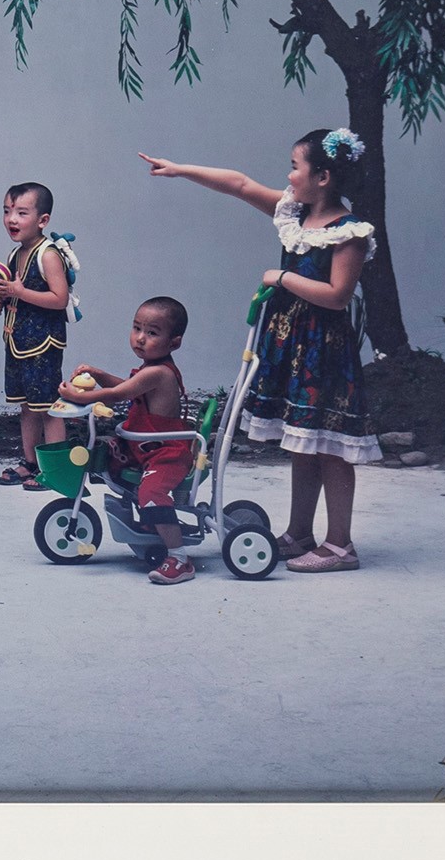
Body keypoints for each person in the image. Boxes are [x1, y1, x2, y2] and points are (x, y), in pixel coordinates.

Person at [142, 130, 382, 572]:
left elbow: (337, 295)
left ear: (323, 176)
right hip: (291, 345)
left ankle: (340, 545)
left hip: (323, 352)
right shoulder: (295, 213)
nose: (288, 176)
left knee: (330, 447)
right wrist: (179, 169)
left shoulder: (348, 232)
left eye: (295, 167)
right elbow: (239, 184)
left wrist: (281, 277)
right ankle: (299, 532)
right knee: (302, 442)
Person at [60, 297, 199, 584]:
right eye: (137, 328)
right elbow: (126, 387)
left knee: (152, 493)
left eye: (152, 332)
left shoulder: (158, 373)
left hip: (167, 453)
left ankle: (179, 558)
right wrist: (98, 374)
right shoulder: (149, 369)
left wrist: (80, 397)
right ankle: (149, 522)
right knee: (107, 453)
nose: (140, 338)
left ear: (174, 343)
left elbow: (119, 394)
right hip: (148, 448)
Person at [0, 182, 78, 491]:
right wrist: (0, 301)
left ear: (43, 220)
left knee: (49, 407)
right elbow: (16, 295)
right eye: (7, 211)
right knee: (27, 405)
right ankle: (31, 462)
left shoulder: (48, 255)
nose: (11, 219)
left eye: (21, 213)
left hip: (42, 345)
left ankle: (56, 470)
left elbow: (59, 298)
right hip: (18, 343)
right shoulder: (16, 254)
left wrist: (20, 292)